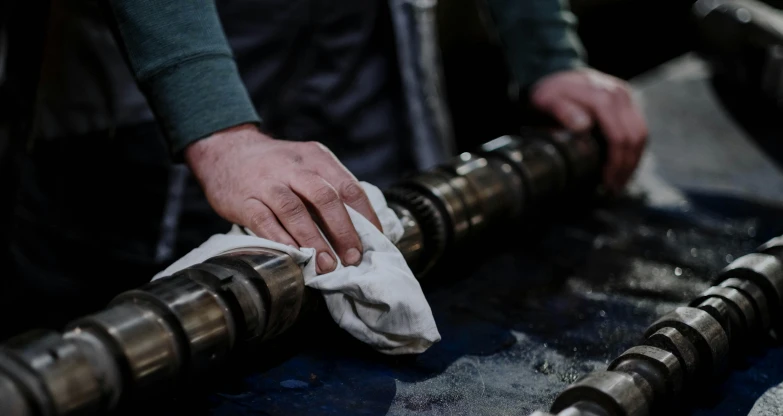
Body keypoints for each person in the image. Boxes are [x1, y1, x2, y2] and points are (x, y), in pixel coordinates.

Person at [1, 0, 647, 336]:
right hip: (161, 55)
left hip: (351, 47)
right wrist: (216, 128)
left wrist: (548, 53)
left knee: (360, 254)